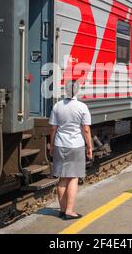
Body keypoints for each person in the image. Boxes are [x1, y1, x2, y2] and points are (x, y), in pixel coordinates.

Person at [49, 80, 93, 220]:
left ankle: (62, 210)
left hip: (60, 144)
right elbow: (86, 129)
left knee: (62, 178)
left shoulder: (57, 106)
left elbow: (53, 129)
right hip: (76, 146)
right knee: (73, 177)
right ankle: (69, 211)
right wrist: (89, 147)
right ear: (77, 90)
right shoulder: (82, 107)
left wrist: (52, 146)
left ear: (65, 90)